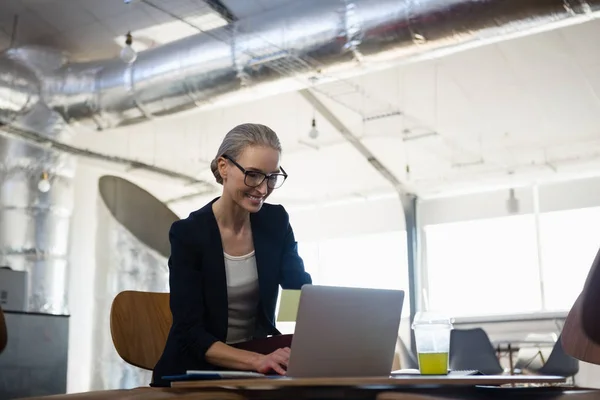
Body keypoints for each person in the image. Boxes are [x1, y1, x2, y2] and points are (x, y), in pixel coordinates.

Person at [152, 123, 312, 387]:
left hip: (258, 361)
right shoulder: (188, 234)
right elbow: (189, 333)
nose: (263, 188)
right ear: (224, 167)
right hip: (198, 368)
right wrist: (254, 361)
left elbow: (297, 290)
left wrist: (317, 330)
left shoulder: (275, 221)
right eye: (253, 174)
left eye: (272, 177)